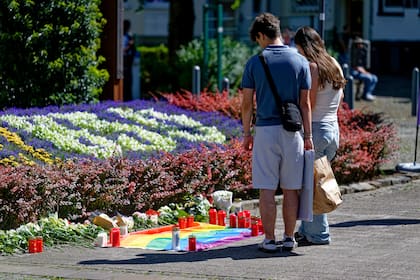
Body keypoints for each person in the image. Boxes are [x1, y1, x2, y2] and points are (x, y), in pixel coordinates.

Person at [241, 13, 313, 252]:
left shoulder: (254, 62)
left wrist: (246, 134)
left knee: (267, 189)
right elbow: (306, 104)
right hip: (294, 132)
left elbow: (246, 103)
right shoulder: (301, 61)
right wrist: (309, 136)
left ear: (261, 35)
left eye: (258, 39)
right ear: (279, 32)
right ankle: (290, 237)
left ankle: (270, 240)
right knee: (292, 188)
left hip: (265, 131)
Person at [293, 26, 346, 246]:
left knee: (313, 185)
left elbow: (309, 104)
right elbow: (339, 100)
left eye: (297, 47)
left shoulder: (312, 68)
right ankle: (306, 230)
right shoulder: (334, 63)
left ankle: (318, 234)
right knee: (314, 182)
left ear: (303, 46)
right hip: (332, 129)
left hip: (316, 130)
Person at [350, 37, 378, 101]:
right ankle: (366, 95)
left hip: (360, 71)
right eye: (359, 44)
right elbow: (356, 67)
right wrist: (365, 72)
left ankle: (368, 93)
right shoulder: (353, 53)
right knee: (369, 78)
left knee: (375, 78)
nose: (361, 45)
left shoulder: (361, 53)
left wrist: (365, 72)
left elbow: (361, 66)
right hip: (354, 72)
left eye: (361, 43)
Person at [123, 19, 136, 102]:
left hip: (127, 61)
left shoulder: (129, 36)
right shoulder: (122, 36)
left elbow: (132, 48)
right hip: (123, 60)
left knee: (128, 81)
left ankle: (128, 98)